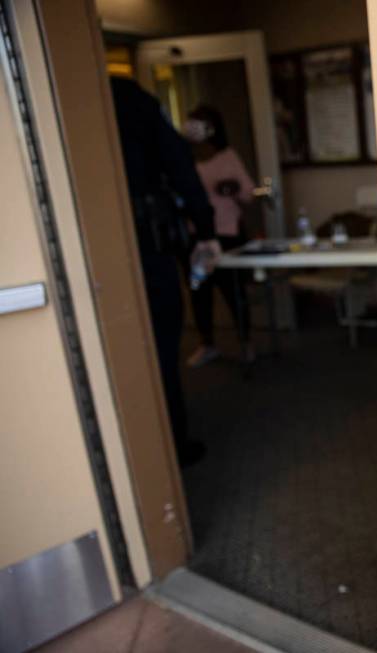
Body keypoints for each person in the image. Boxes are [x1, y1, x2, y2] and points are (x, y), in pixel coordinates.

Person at [109, 77, 218, 466]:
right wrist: (205, 231)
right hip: (148, 250)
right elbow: (179, 166)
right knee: (161, 353)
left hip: (98, 259)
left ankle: (133, 453)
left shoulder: (60, 97)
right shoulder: (131, 100)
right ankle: (172, 443)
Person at [181, 105, 256, 366]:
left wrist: (233, 188)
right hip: (197, 235)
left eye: (199, 124)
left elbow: (250, 193)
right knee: (199, 291)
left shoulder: (228, 157)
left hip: (226, 234)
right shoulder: (183, 158)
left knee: (233, 291)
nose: (192, 129)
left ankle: (246, 342)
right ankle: (207, 343)